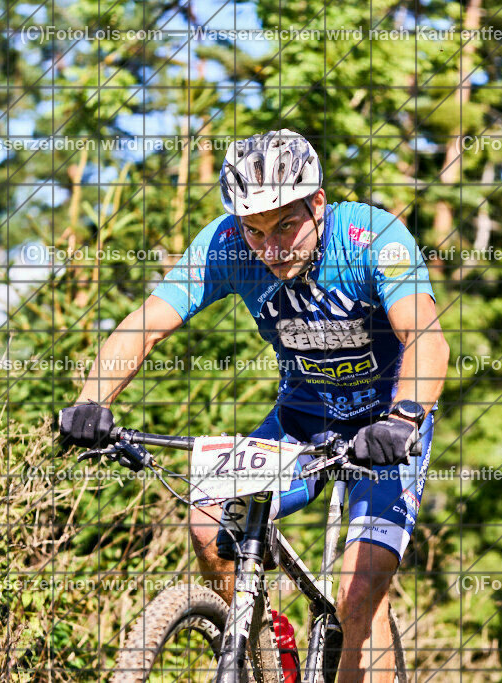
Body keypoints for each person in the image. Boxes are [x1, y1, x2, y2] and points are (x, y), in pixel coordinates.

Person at [60, 129, 449, 682]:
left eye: (286, 225)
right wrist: (90, 403)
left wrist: (405, 416)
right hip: (304, 416)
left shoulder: (374, 238)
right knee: (207, 522)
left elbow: (427, 337)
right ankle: (267, 652)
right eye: (255, 231)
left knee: (360, 588)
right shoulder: (225, 245)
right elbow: (144, 326)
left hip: (387, 425)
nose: (270, 248)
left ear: (318, 203)